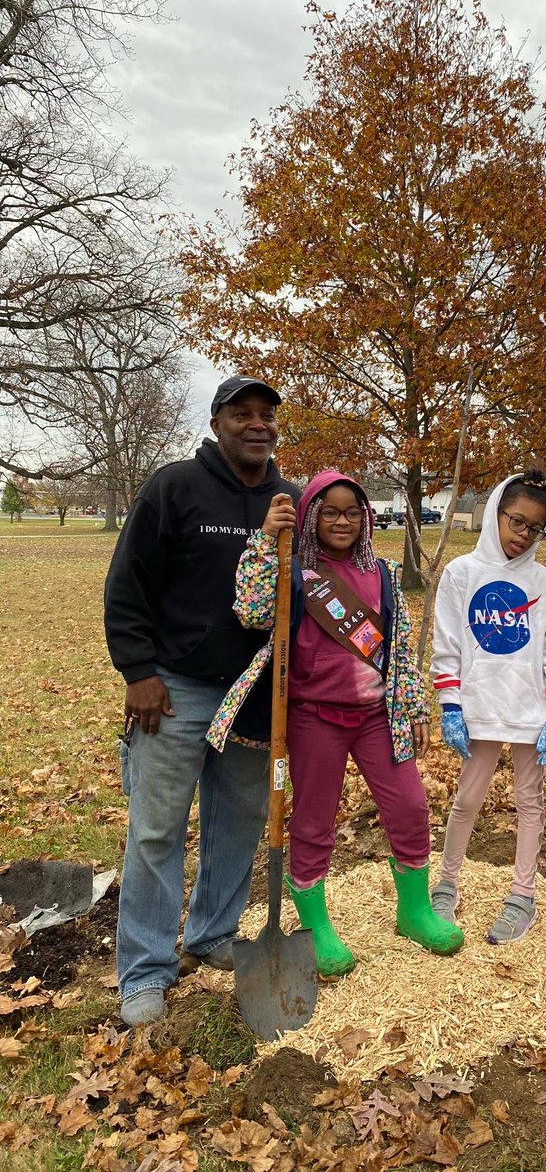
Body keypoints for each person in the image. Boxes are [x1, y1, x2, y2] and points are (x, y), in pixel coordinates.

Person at [207, 471, 464, 975]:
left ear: (365, 518)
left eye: (352, 512)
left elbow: (398, 650)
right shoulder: (292, 570)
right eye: (330, 512)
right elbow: (252, 612)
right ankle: (316, 926)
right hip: (313, 718)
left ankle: (414, 910)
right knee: (313, 820)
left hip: (376, 717)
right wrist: (265, 541)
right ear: (311, 517)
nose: (342, 521)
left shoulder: (383, 574)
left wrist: (414, 707)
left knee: (410, 807)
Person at [104, 375, 299, 1027]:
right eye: (242, 414)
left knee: (238, 821)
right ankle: (145, 971)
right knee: (157, 828)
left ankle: (212, 932)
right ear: (217, 423)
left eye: (267, 415)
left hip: (256, 693)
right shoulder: (174, 488)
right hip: (176, 688)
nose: (258, 424)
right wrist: (139, 671)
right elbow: (128, 582)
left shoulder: (291, 499)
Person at [429, 470, 546, 943]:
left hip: (531, 712)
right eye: (517, 521)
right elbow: (447, 646)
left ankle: (522, 896)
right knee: (467, 800)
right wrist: (451, 705)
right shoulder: (460, 573)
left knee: (529, 802)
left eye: (535, 528)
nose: (524, 535)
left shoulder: (543, 582)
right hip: (479, 709)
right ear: (496, 511)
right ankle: (446, 884)